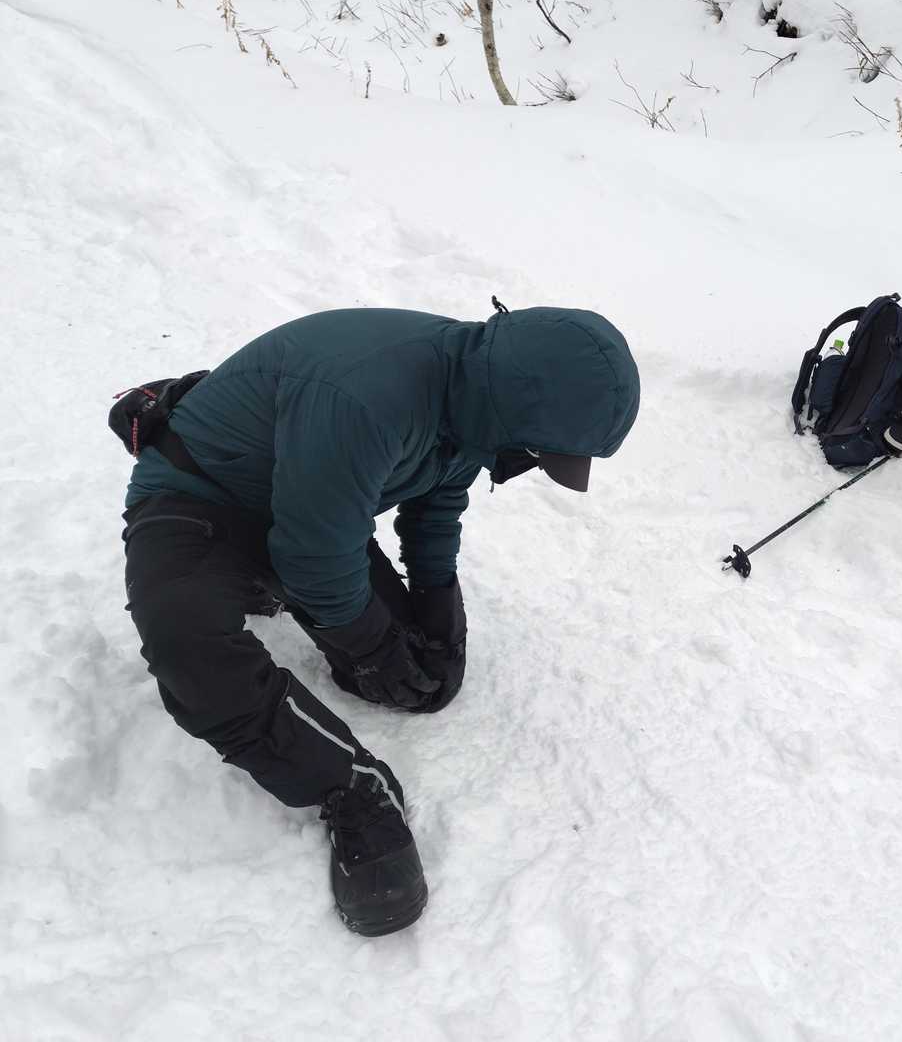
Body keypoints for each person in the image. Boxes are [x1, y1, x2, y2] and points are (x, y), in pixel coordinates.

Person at [119, 305, 641, 936]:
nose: (530, 460)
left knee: (425, 677)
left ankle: (269, 579)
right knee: (187, 645)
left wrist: (436, 601)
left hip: (313, 503)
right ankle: (351, 787)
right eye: (536, 450)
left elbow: (438, 498)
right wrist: (371, 647)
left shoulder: (477, 392)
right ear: (519, 406)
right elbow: (313, 558)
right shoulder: (368, 397)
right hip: (199, 496)